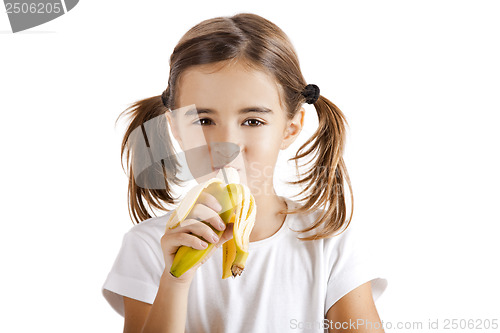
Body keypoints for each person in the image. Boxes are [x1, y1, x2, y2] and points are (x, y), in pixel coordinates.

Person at [102, 12, 388, 333]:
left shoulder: (329, 241)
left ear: (290, 129)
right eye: (203, 121)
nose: (227, 144)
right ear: (176, 129)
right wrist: (174, 281)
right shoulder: (148, 246)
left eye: (252, 121)